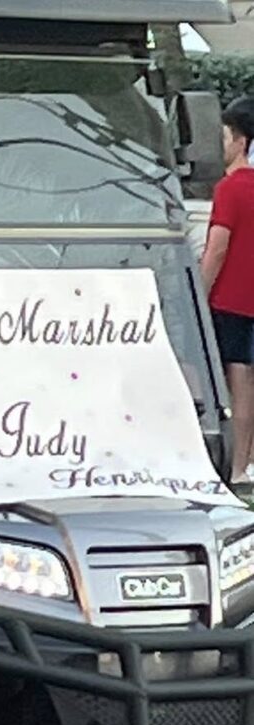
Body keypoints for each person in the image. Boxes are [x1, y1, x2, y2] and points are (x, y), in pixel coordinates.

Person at [200, 96, 254, 485]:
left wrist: (197, 296)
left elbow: (217, 247)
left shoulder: (230, 189)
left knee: (233, 383)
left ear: (239, 141)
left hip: (228, 299)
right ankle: (244, 465)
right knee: (247, 381)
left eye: (223, 137)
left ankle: (231, 468)